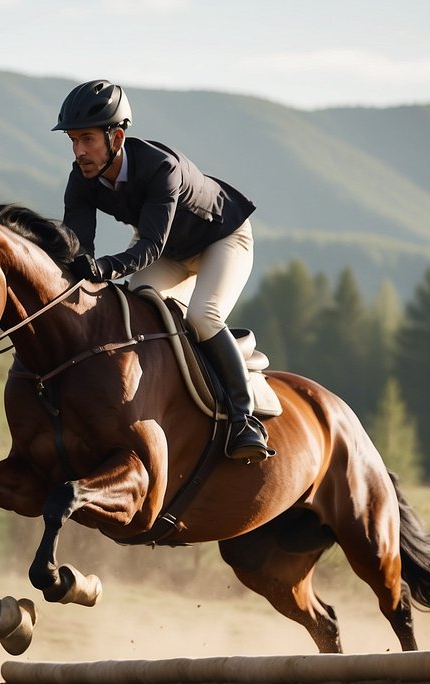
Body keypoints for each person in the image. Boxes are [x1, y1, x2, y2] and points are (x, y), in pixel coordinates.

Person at [53, 79, 274, 462]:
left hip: (222, 240)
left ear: (117, 137)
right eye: (73, 140)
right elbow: (77, 246)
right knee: (140, 310)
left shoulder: (161, 168)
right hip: (172, 250)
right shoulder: (82, 178)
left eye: (87, 139)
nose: (79, 151)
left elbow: (148, 246)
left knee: (203, 317)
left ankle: (243, 418)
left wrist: (104, 268)